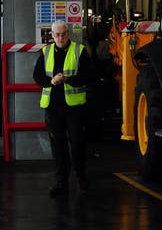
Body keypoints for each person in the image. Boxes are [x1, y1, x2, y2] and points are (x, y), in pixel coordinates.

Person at [33, 20, 94, 197]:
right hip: (53, 108)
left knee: (77, 143)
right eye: (57, 35)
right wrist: (50, 81)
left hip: (74, 108)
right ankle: (62, 183)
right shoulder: (46, 51)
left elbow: (89, 75)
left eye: (63, 34)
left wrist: (67, 79)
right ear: (52, 35)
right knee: (58, 146)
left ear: (68, 34)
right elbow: (37, 76)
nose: (60, 38)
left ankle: (81, 178)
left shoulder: (79, 50)